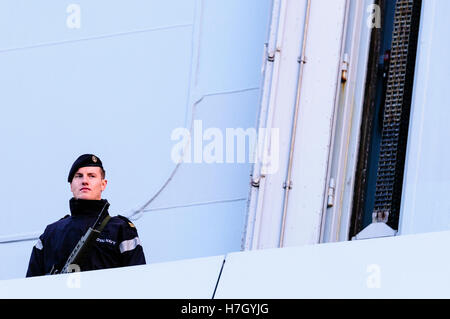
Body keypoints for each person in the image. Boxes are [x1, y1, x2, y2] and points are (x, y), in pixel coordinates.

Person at [26, 154, 146, 277]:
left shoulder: (121, 229)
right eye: (78, 176)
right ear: (71, 185)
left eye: (92, 176)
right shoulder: (51, 234)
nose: (84, 181)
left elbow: (138, 280)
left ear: (103, 184)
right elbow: (30, 288)